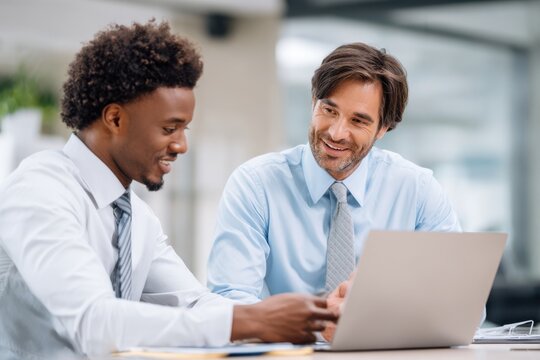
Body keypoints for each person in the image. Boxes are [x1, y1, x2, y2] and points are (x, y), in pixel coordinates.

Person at [0, 21, 338, 359]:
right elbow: (93, 322)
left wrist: (315, 315)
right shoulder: (40, 190)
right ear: (115, 119)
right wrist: (248, 320)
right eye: (169, 128)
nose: (181, 146)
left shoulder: (135, 217)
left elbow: (195, 303)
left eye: (184, 129)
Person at [207, 43, 461, 305]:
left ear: (383, 128)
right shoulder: (256, 184)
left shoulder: (417, 190)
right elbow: (228, 298)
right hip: (288, 343)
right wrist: (301, 324)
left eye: (358, 121)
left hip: (385, 345)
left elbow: (460, 301)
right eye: (329, 110)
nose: (337, 133)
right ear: (313, 103)